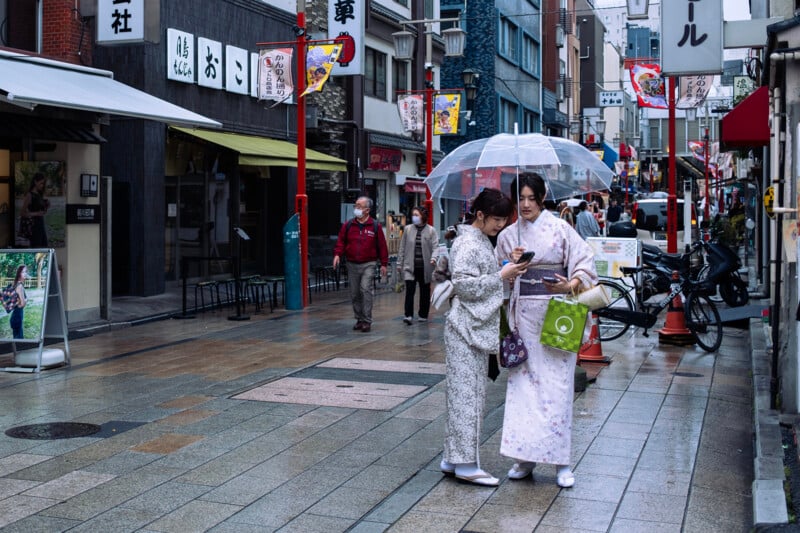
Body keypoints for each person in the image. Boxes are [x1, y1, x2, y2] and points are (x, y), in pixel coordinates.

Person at [496, 173, 598, 489]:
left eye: (531, 198)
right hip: (523, 318)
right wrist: (509, 269)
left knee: (558, 388)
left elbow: (584, 262)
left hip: (557, 314)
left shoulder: (560, 229)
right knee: (523, 390)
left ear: (541, 198)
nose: (526, 204)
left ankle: (561, 461)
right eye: (521, 198)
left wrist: (571, 284)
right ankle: (524, 457)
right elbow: (498, 279)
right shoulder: (508, 236)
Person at [439, 188, 530, 487]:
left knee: (465, 395)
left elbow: (477, 282)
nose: (500, 225)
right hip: (467, 329)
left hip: (469, 329)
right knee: (468, 396)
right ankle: (465, 463)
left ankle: (454, 457)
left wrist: (506, 269)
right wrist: (501, 277)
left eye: (504, 219)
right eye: (497, 219)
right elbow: (464, 285)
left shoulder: (477, 240)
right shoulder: (469, 243)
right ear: (480, 215)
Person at [333, 196, 389, 333]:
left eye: (359, 206)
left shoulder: (375, 226)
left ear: (367, 210)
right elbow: (341, 242)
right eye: (355, 206)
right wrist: (337, 255)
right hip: (352, 263)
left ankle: (367, 321)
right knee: (355, 293)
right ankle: (359, 318)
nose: (356, 208)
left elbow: (382, 246)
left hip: (368, 263)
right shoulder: (348, 225)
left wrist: (384, 264)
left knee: (365, 289)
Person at [397, 206, 439, 324]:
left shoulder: (431, 230)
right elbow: (402, 247)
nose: (414, 217)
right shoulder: (408, 229)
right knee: (409, 290)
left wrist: (434, 258)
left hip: (425, 266)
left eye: (416, 215)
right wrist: (399, 263)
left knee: (425, 291)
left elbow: (436, 247)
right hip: (410, 266)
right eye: (413, 215)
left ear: (423, 216)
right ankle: (408, 315)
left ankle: (423, 314)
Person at [20, 172, 49, 247]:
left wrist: (46, 205)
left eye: (43, 183)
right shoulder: (29, 195)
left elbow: (41, 210)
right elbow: (22, 213)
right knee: (36, 247)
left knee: (44, 246)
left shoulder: (39, 194)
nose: (42, 185)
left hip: (41, 224)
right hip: (33, 225)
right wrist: (36, 213)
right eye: (41, 183)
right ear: (35, 182)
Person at [9, 265, 28, 339]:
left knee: (17, 340)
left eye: (26, 271)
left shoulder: (15, 283)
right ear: (19, 273)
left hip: (15, 317)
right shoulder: (19, 286)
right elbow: (22, 304)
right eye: (23, 272)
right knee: (19, 341)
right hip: (17, 317)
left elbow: (16, 303)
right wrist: (27, 299)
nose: (25, 273)